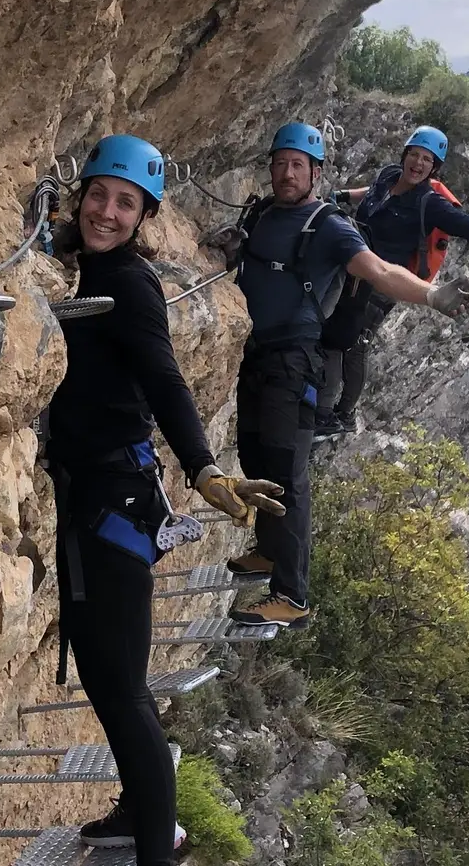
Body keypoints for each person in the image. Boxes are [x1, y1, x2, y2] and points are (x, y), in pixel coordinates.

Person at [43, 133, 285, 862]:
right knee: (110, 678)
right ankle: (140, 815)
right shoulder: (84, 267)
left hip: (112, 501)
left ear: (144, 214)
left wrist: (206, 469)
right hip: (97, 497)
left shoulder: (130, 284)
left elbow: (165, 379)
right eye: (100, 196)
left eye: (126, 203)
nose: (108, 213)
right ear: (80, 194)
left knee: (121, 690)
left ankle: (158, 848)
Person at [221, 122, 469, 629]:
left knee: (288, 478)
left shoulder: (329, 225)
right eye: (280, 163)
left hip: (294, 362)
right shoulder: (263, 213)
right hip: (255, 356)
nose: (287, 172)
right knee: (255, 456)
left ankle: (290, 598)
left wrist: (431, 294)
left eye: (298, 165)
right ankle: (269, 554)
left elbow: (381, 271)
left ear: (316, 173)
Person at [314, 125, 469, 440]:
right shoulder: (388, 175)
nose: (418, 163)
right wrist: (342, 195)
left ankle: (341, 415)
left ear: (434, 168)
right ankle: (327, 403)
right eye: (414, 154)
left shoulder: (429, 202)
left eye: (427, 159)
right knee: (335, 333)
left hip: (385, 285)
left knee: (355, 345)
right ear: (405, 155)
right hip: (355, 271)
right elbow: (372, 191)